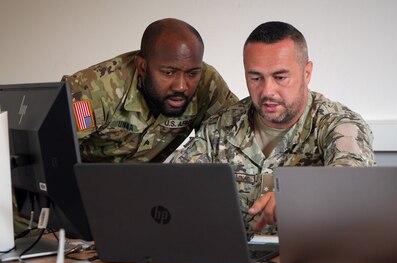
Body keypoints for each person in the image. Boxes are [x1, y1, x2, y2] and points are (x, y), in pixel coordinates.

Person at [171, 21, 375, 235]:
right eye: (256, 78)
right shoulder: (221, 126)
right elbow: (172, 185)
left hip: (310, 261)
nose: (268, 90)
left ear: (307, 73)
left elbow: (354, 180)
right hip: (233, 262)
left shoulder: (339, 124)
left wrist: (299, 192)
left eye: (280, 77)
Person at [62, 18, 238, 163]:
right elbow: (52, 156)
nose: (182, 86)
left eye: (192, 73)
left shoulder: (207, 83)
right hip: (86, 189)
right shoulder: (94, 90)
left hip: (147, 193)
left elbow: (241, 134)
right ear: (142, 66)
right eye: (168, 73)